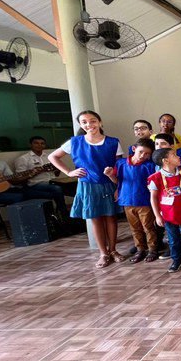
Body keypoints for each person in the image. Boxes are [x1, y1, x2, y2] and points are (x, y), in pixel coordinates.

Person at [49, 111, 124, 268]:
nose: (89, 124)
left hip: (109, 183)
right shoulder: (74, 142)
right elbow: (53, 157)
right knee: (95, 218)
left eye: (93, 120)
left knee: (111, 218)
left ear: (100, 122)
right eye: (84, 122)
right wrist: (69, 172)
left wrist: (117, 182)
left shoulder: (113, 142)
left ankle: (113, 250)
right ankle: (103, 253)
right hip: (88, 184)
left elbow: (119, 166)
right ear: (80, 125)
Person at [148, 148, 181, 273]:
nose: (178, 157)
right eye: (174, 155)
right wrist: (157, 216)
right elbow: (153, 198)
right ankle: (176, 260)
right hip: (168, 215)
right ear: (166, 161)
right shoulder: (155, 178)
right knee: (173, 240)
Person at [107, 138, 157, 263]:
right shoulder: (121, 163)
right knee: (135, 228)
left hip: (144, 201)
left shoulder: (149, 166)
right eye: (141, 152)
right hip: (127, 200)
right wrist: (110, 175)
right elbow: (117, 181)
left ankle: (152, 249)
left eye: (147, 154)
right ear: (134, 149)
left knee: (148, 227)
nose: (143, 155)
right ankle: (140, 249)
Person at [13, 136, 69, 222]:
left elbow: (56, 174)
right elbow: (19, 177)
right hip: (35, 184)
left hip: (52, 181)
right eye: (36, 143)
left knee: (71, 185)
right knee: (57, 189)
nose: (39, 145)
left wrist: (57, 169)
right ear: (30, 145)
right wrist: (34, 173)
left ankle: (64, 213)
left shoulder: (49, 156)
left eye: (42, 143)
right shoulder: (23, 159)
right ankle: (63, 213)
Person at [0, 135, 26, 207]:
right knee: (18, 197)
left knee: (28, 192)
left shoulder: (1, 163)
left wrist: (28, 175)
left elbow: (11, 178)